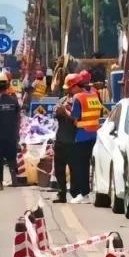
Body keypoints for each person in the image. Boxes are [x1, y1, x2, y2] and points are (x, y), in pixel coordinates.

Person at [68, 71, 105, 201]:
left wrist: (65, 112)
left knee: (82, 166)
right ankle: (92, 192)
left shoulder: (78, 97)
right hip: (94, 135)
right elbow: (99, 112)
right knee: (93, 165)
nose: (70, 92)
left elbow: (74, 118)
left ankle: (84, 194)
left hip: (82, 136)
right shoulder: (94, 94)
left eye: (70, 88)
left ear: (75, 86)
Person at [0, 71, 22, 189]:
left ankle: (0, 183)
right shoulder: (14, 101)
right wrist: (17, 132)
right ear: (7, 85)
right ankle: (14, 180)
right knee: (12, 156)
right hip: (11, 133)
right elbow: (19, 117)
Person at [52, 72, 81, 203]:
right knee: (59, 169)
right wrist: (58, 111)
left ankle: (75, 193)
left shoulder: (80, 100)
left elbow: (77, 120)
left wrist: (66, 112)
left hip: (74, 141)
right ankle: (61, 193)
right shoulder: (63, 100)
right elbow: (55, 114)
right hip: (61, 140)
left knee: (74, 169)